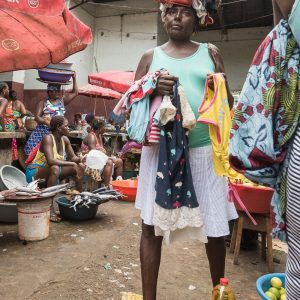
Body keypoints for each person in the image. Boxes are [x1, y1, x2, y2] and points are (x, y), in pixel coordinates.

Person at [133, 1, 237, 298]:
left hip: (204, 152)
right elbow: (131, 105)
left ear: (198, 19)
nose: (177, 17)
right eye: (171, 11)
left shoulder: (210, 53)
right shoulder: (149, 57)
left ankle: (218, 291)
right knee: (150, 228)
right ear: (164, 16)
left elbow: (226, 104)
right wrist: (152, 86)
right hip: (159, 153)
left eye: (186, 11)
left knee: (216, 229)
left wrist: (222, 88)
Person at [25, 115, 84, 222]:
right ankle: (49, 207)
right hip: (35, 171)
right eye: (66, 126)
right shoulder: (48, 138)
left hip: (53, 170)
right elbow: (51, 161)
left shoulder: (65, 139)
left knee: (79, 167)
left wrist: (82, 158)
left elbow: (73, 158)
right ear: (58, 127)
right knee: (55, 168)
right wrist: (71, 163)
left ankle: (78, 199)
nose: (68, 128)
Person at [24, 72, 78, 156]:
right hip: (43, 132)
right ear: (49, 92)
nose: (58, 93)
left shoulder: (62, 101)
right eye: (55, 91)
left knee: (56, 153)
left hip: (58, 132)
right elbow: (37, 117)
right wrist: (46, 122)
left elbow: (75, 93)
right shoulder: (43, 102)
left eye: (58, 91)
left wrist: (74, 79)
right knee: (38, 154)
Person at [81, 118, 123, 187]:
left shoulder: (99, 136)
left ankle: (119, 182)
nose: (105, 129)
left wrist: (112, 156)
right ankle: (106, 186)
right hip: (89, 160)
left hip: (98, 159)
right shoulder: (92, 136)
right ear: (100, 128)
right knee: (109, 162)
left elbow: (101, 152)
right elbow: (93, 153)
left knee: (119, 161)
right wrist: (110, 158)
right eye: (104, 127)